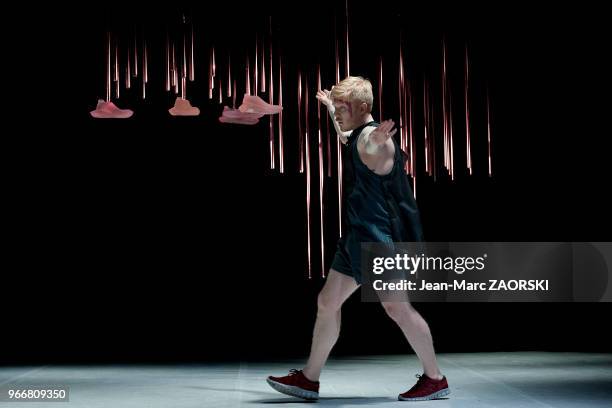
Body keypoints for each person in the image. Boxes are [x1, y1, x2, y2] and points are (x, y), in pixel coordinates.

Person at [266, 76, 450, 401]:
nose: (337, 112)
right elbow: (349, 139)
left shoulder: (374, 139)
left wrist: (379, 142)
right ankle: (309, 379)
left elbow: (371, 147)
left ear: (362, 107)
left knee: (398, 309)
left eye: (342, 107)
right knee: (327, 302)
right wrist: (328, 109)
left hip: (378, 241)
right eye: (335, 107)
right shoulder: (359, 134)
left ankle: (435, 379)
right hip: (356, 238)